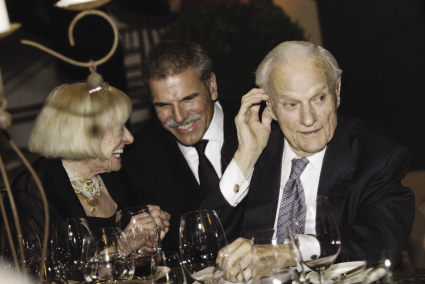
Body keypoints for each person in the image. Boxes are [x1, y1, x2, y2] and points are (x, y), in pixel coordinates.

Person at [202, 41, 415, 282]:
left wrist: (288, 253)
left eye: (319, 98)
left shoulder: (377, 157)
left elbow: (381, 241)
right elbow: (204, 245)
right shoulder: (247, 151)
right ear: (270, 106)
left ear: (337, 90)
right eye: (291, 104)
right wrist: (246, 158)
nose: (308, 118)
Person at [122, 40, 244, 252]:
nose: (178, 117)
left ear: (212, 86)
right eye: (163, 105)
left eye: (188, 99)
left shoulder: (260, 125)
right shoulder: (138, 157)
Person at [10, 80, 170, 242]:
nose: (130, 138)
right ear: (85, 135)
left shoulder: (116, 173)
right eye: (119, 128)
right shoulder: (35, 189)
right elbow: (33, 267)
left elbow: (133, 253)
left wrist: (145, 243)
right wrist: (121, 247)